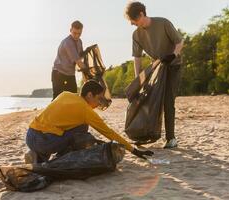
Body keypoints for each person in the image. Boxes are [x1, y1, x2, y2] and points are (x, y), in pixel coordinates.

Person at [25, 80, 153, 163]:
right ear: (90, 95)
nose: (99, 103)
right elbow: (109, 133)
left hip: (30, 135)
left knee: (61, 127)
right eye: (98, 98)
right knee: (82, 129)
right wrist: (134, 151)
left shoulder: (65, 94)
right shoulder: (85, 111)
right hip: (44, 142)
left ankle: (38, 156)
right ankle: (58, 159)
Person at [125, 1, 184, 148]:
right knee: (147, 98)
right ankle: (145, 133)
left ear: (141, 14)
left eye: (134, 20)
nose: (132, 24)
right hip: (157, 68)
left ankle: (171, 139)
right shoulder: (136, 35)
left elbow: (180, 41)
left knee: (168, 101)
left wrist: (173, 55)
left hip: (173, 66)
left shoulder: (163, 23)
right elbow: (137, 59)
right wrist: (138, 80)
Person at [52, 20, 86, 100]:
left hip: (70, 74)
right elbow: (78, 61)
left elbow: (80, 57)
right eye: (74, 33)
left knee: (73, 97)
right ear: (70, 30)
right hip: (59, 73)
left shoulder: (79, 42)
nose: (77, 36)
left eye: (79, 33)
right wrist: (87, 69)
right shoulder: (68, 42)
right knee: (57, 99)